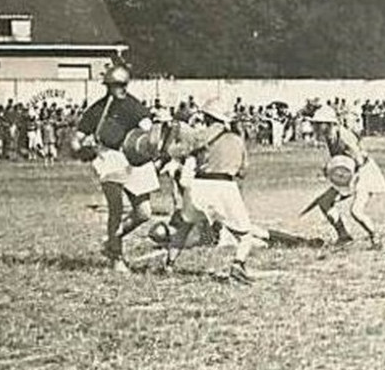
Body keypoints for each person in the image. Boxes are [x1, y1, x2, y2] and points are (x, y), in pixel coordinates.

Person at [161, 99, 268, 284]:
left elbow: (174, 152)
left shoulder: (200, 137)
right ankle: (237, 264)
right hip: (224, 186)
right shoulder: (236, 140)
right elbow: (243, 172)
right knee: (245, 235)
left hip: (199, 186)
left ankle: (169, 264)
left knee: (185, 227)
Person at [72, 63, 160, 273]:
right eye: (115, 85)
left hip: (133, 159)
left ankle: (112, 240)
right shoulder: (97, 110)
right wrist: (81, 147)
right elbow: (77, 136)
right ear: (108, 86)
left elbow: (150, 131)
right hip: (109, 158)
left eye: (122, 85)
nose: (120, 89)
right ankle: (116, 258)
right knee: (116, 209)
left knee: (144, 213)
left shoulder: (134, 106)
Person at [307, 103, 385, 247]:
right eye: (316, 124)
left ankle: (376, 237)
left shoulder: (345, 137)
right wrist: (331, 170)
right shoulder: (329, 136)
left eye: (319, 124)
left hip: (364, 173)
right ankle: (344, 236)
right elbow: (339, 159)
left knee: (356, 211)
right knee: (324, 202)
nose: (317, 127)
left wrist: (339, 173)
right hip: (348, 174)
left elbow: (359, 161)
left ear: (329, 123)